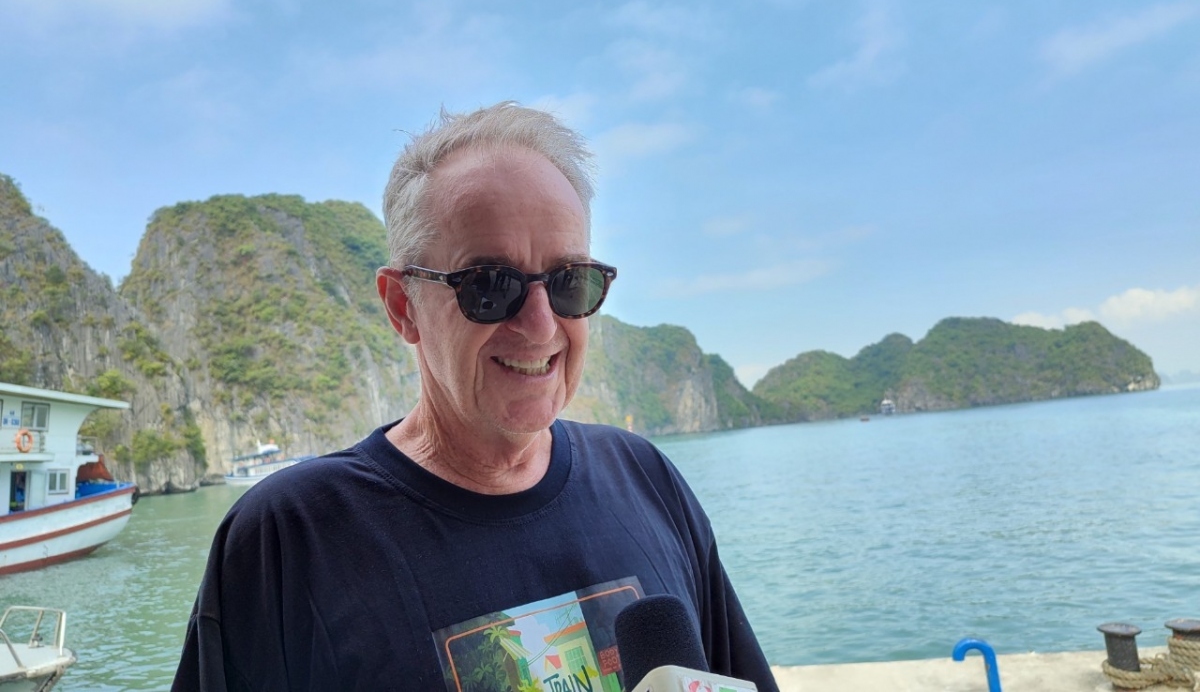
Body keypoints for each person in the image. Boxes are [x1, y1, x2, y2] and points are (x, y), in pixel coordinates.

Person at [172, 103, 778, 692]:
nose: (541, 325)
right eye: (490, 286)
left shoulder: (645, 480)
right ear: (403, 306)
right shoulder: (290, 540)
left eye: (569, 282)